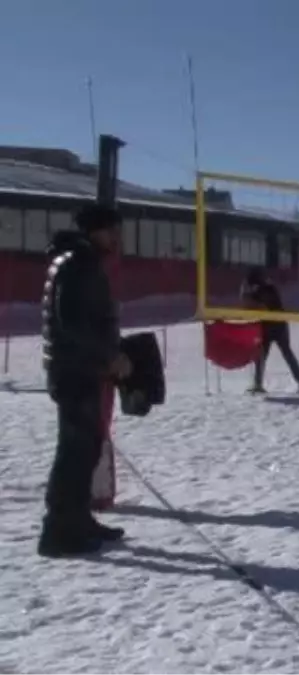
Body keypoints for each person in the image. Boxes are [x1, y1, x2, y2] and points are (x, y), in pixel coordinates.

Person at [38, 204, 131, 557]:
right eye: (111, 231)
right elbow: (72, 323)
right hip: (75, 371)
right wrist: (110, 356)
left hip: (80, 369)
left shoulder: (76, 260)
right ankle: (58, 532)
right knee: (75, 452)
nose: (116, 238)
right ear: (94, 231)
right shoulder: (79, 264)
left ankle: (78, 520)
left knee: (87, 447)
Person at [243, 267, 299, 394]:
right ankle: (258, 383)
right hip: (269, 325)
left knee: (285, 353)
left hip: (277, 326)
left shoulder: (266, 289)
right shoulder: (264, 288)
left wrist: (247, 293)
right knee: (262, 355)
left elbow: (256, 302)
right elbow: (250, 304)